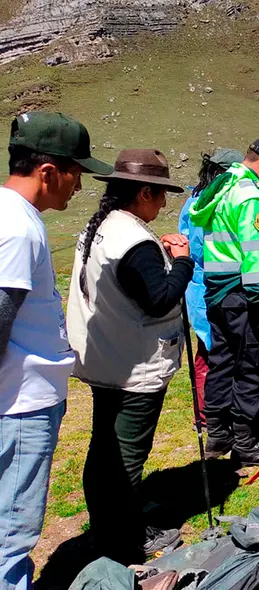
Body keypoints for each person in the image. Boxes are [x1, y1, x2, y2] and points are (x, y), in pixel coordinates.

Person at [0, 112, 111, 589]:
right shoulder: (18, 229)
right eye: (76, 174)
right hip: (20, 402)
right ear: (49, 172)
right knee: (11, 534)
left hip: (17, 397)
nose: (78, 187)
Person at [66, 149, 191, 564]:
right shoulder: (135, 241)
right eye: (160, 195)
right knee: (126, 457)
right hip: (135, 367)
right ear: (143, 192)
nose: (163, 203)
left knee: (104, 449)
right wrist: (183, 263)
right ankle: (122, 542)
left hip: (106, 356)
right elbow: (159, 299)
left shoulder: (104, 226)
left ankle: (106, 526)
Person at [189, 138, 259, 467]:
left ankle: (218, 433)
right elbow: (257, 253)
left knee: (222, 362)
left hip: (218, 292)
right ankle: (246, 442)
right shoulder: (254, 197)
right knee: (252, 367)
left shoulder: (222, 188)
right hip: (246, 296)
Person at [178, 148, 243, 427]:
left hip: (204, 280)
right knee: (212, 350)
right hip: (210, 281)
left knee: (218, 348)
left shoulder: (193, 200)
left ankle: (216, 409)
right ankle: (207, 415)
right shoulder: (213, 202)